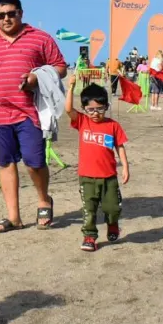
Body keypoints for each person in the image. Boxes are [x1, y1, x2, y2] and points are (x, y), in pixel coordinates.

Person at [0, 0, 67, 233]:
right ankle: (14, 218)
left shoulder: (40, 38)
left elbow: (61, 67)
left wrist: (36, 78)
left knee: (34, 162)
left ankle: (44, 199)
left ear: (21, 13)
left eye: (11, 13)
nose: (7, 19)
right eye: (1, 15)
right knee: (6, 162)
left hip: (30, 112)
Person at [64, 74, 129, 252]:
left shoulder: (113, 126)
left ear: (106, 107)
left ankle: (113, 224)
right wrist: (70, 87)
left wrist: (125, 166)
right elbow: (68, 108)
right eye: (90, 109)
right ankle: (90, 236)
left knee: (113, 207)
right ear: (84, 109)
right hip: (87, 176)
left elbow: (120, 147)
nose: (95, 113)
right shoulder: (82, 122)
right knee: (89, 210)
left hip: (109, 177)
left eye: (100, 109)